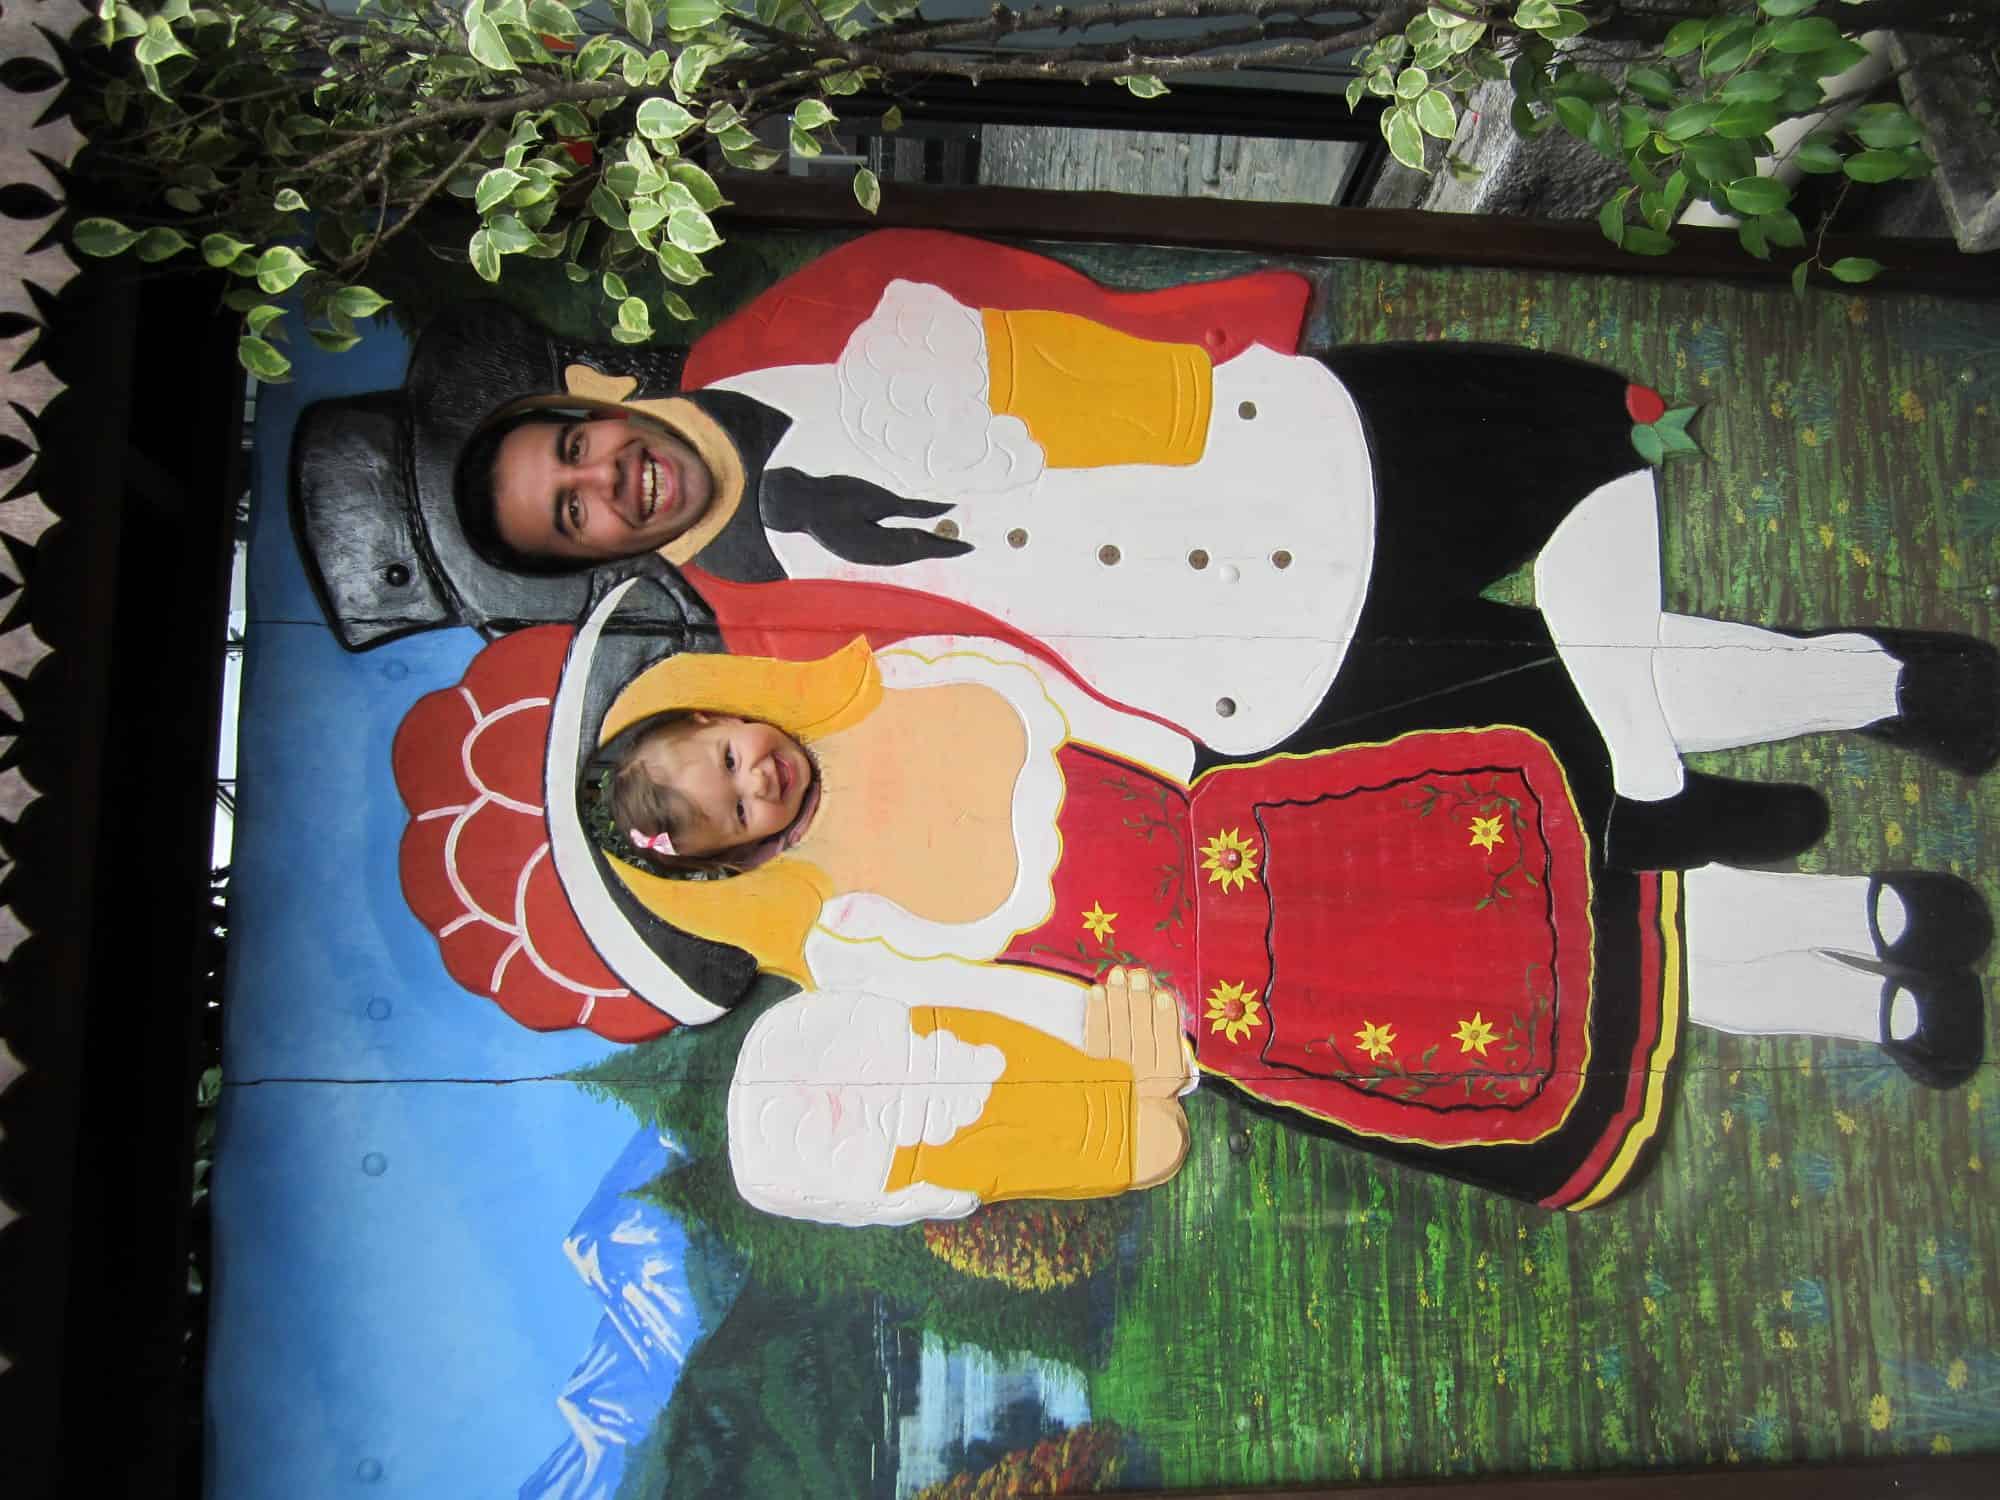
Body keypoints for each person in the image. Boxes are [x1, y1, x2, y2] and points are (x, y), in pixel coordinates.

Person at [449, 231, 1998, 882]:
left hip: (1273, 452)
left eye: (573, 450)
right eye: (572, 514)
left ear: (588, 398)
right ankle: (1885, 690)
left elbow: (1023, 301)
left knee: (1592, 439)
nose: (608, 482)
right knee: (1549, 703)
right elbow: (961, 723)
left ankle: (1682, 776)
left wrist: (1185, 356)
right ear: (593, 556)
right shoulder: (763, 648)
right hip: (1244, 668)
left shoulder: (812, 314)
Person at [524, 584, 1988, 1224]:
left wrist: (1228, 746)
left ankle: (1865, 914)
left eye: (728, 752)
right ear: (729, 865)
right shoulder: (852, 940)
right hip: (1248, 991)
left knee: (1555, 888)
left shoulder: (903, 677)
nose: (756, 779)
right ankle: (1855, 993)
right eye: (731, 811)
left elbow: (1090, 698)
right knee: (1537, 989)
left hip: (1271, 819)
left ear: (727, 709)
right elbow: (1005, 1009)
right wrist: (1132, 1055)